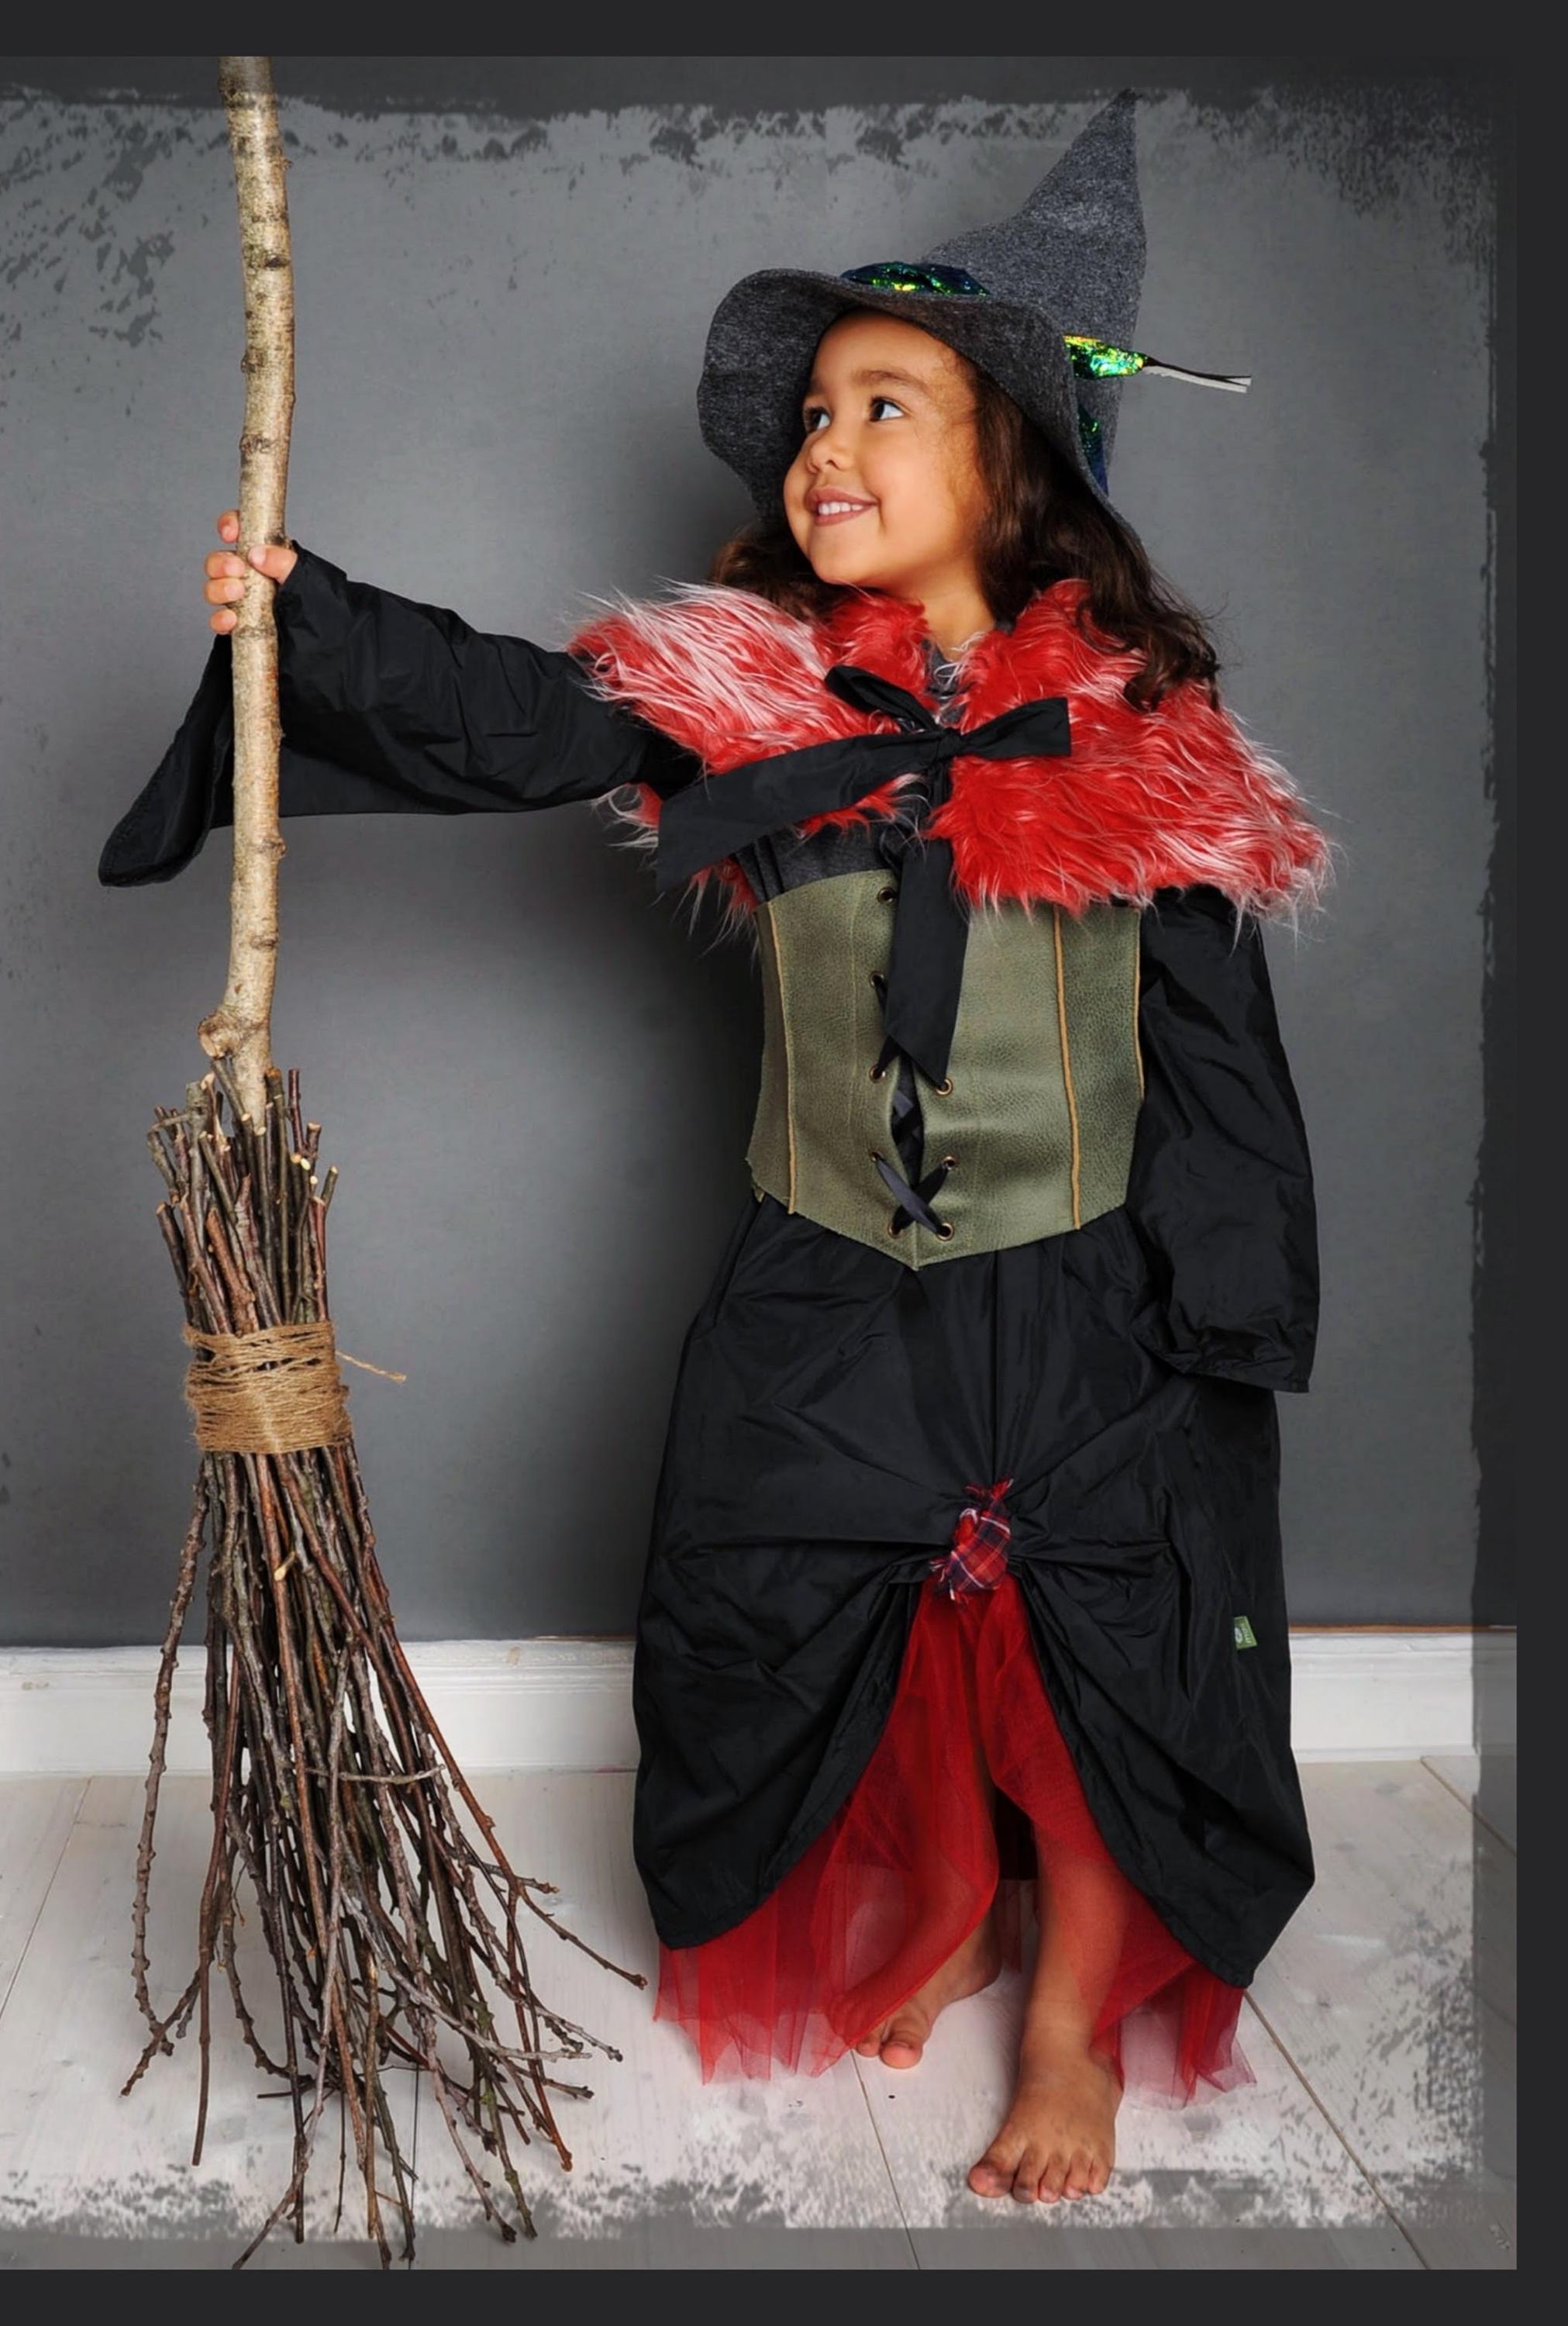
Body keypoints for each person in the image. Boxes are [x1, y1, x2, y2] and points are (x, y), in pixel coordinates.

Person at [100, 91, 1330, 2206]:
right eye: (811, 419)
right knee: (808, 1588)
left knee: (1101, 1642)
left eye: (884, 410)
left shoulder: (1142, 751)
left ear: (1016, 470)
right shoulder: (748, 693)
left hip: (1087, 1283)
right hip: (822, 1267)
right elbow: (516, 713)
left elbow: (1221, 1060)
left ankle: (1068, 2021)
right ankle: (953, 1899)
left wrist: (1225, 1316)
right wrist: (307, 613)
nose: (822, 450)